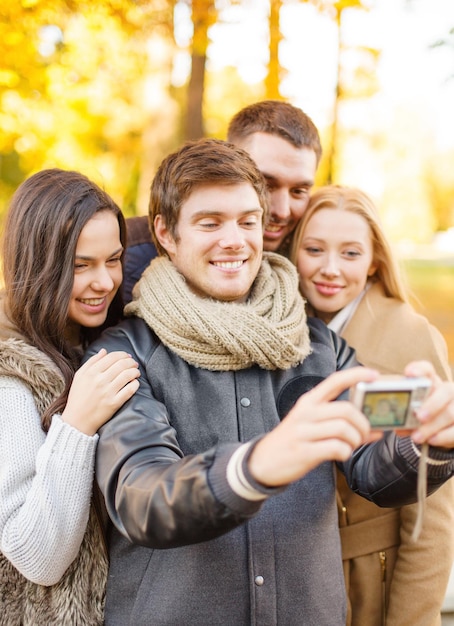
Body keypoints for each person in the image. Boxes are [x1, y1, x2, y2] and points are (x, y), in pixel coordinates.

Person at [84, 139, 454, 626]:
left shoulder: (317, 342)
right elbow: (142, 497)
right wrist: (254, 466)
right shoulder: (123, 351)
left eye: (247, 220)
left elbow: (372, 463)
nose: (235, 239)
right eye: (210, 222)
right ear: (166, 234)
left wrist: (430, 440)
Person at [290, 184, 454, 626]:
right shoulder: (284, 329)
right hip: (299, 578)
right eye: (314, 249)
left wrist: (411, 618)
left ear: (375, 260)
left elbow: (432, 515)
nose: (329, 269)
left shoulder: (410, 341)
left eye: (350, 254)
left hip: (371, 578)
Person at [0, 169, 140, 625]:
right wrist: (76, 425)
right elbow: (36, 556)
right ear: (36, 264)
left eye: (114, 259)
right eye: (81, 266)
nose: (104, 281)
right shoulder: (10, 375)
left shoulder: (97, 339)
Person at [121, 99, 322, 303]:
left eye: (298, 191)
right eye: (266, 185)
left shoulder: (314, 257)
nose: (283, 211)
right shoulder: (124, 256)